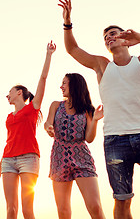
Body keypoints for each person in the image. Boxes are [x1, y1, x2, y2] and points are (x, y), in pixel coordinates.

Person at [58, 0, 140, 219]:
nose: (109, 38)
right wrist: (67, 23)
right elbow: (72, 49)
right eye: (106, 37)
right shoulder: (102, 65)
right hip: (115, 140)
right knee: (122, 201)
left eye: (113, 34)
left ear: (126, 38)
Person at [0, 41, 56, 219]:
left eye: (9, 92)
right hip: (8, 161)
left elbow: (42, 79)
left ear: (19, 92)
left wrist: (48, 55)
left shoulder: (32, 108)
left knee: (27, 210)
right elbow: (9, 143)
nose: (7, 95)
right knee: (11, 209)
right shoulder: (9, 117)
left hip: (29, 158)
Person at [44, 73, 105, 219]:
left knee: (95, 206)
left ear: (75, 85)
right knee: (63, 212)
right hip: (59, 158)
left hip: (82, 158)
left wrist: (95, 120)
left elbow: (89, 138)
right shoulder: (55, 105)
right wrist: (48, 128)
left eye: (64, 83)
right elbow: (48, 123)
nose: (61, 86)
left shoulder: (88, 110)